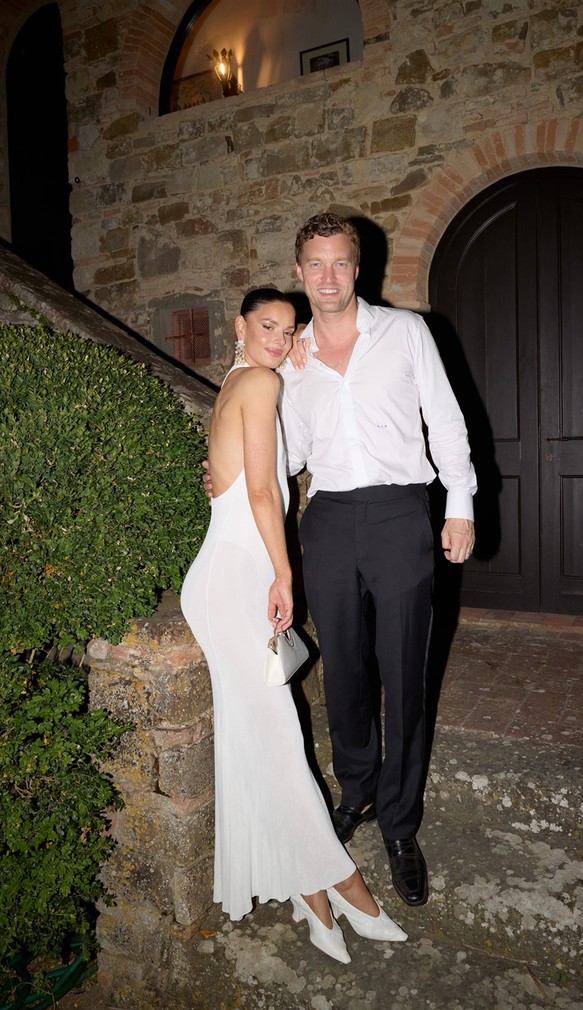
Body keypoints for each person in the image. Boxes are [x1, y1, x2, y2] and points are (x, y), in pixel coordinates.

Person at [180, 287, 407, 964]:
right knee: (279, 743)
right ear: (240, 326)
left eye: (290, 329)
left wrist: (295, 354)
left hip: (227, 573)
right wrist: (285, 575)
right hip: (234, 582)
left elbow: (248, 464)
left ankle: (314, 903)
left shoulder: (243, 378)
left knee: (266, 745)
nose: (279, 338)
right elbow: (258, 492)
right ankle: (344, 883)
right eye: (267, 326)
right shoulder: (255, 382)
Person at [279, 213, 477, 908]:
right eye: (314, 263)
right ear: (299, 270)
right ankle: (356, 792)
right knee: (344, 672)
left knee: (405, 673)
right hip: (329, 518)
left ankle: (399, 822)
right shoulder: (291, 355)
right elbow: (291, 454)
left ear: (356, 270)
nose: (327, 276)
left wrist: (460, 503)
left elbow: (445, 420)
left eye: (339, 263)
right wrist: (237, 475)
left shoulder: (405, 333)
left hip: (400, 513)